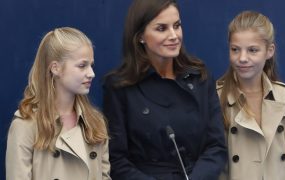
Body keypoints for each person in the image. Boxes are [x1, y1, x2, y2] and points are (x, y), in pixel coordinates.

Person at [102, 0, 227, 179]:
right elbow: (117, 159)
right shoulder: (119, 87)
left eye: (177, 26)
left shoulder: (199, 77)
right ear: (140, 36)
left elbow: (216, 146)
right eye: (162, 28)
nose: (174, 35)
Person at [216, 11, 285, 180]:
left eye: (252, 50)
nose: (242, 58)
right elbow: (213, 167)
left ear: (269, 51)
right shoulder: (218, 98)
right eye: (235, 49)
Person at [6, 27, 111, 180]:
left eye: (91, 65)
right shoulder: (27, 124)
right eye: (82, 65)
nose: (91, 73)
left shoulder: (95, 123)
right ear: (55, 68)